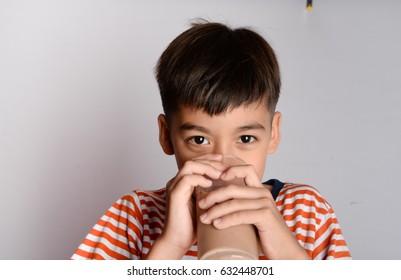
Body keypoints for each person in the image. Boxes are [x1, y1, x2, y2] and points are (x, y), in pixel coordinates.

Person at [71, 21, 351, 260]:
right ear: (167, 136)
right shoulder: (133, 217)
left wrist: (287, 254)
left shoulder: (305, 212)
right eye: (199, 139)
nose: (222, 165)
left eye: (245, 138)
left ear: (273, 134)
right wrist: (170, 247)